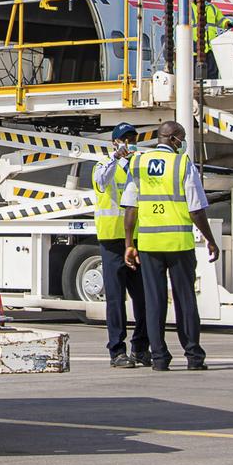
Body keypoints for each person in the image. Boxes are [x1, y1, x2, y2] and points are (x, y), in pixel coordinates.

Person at [123, 120, 219, 371]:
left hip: (149, 243)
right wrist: (210, 239)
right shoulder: (182, 163)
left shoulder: (138, 163)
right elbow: (196, 208)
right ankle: (193, 357)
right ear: (175, 138)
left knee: (154, 302)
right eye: (183, 137)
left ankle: (159, 358)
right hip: (178, 244)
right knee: (185, 300)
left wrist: (129, 243)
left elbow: (131, 208)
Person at [91, 123, 150, 368]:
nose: (129, 142)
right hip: (113, 240)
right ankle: (117, 350)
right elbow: (101, 182)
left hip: (139, 239)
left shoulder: (140, 165)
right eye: (124, 139)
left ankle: (140, 347)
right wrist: (115, 158)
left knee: (144, 297)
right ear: (115, 142)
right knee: (116, 300)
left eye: (132, 138)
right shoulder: (103, 165)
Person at [190, 0, 233, 80]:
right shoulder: (190, 8)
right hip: (196, 45)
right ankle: (196, 90)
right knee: (196, 71)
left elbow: (220, 19)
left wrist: (227, 23)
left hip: (211, 46)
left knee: (212, 71)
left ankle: (211, 90)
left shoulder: (212, 8)